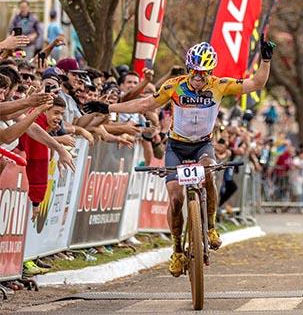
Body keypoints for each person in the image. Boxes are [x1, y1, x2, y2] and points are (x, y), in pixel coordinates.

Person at [84, 37, 276, 277]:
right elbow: (145, 104)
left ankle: (212, 227)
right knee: (175, 198)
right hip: (176, 147)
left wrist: (266, 60)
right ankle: (176, 250)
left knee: (208, 172)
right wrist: (108, 109)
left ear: (210, 72)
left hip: (203, 145)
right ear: (188, 69)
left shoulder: (220, 85)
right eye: (194, 71)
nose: (198, 77)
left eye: (204, 72)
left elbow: (256, 83)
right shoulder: (174, 86)